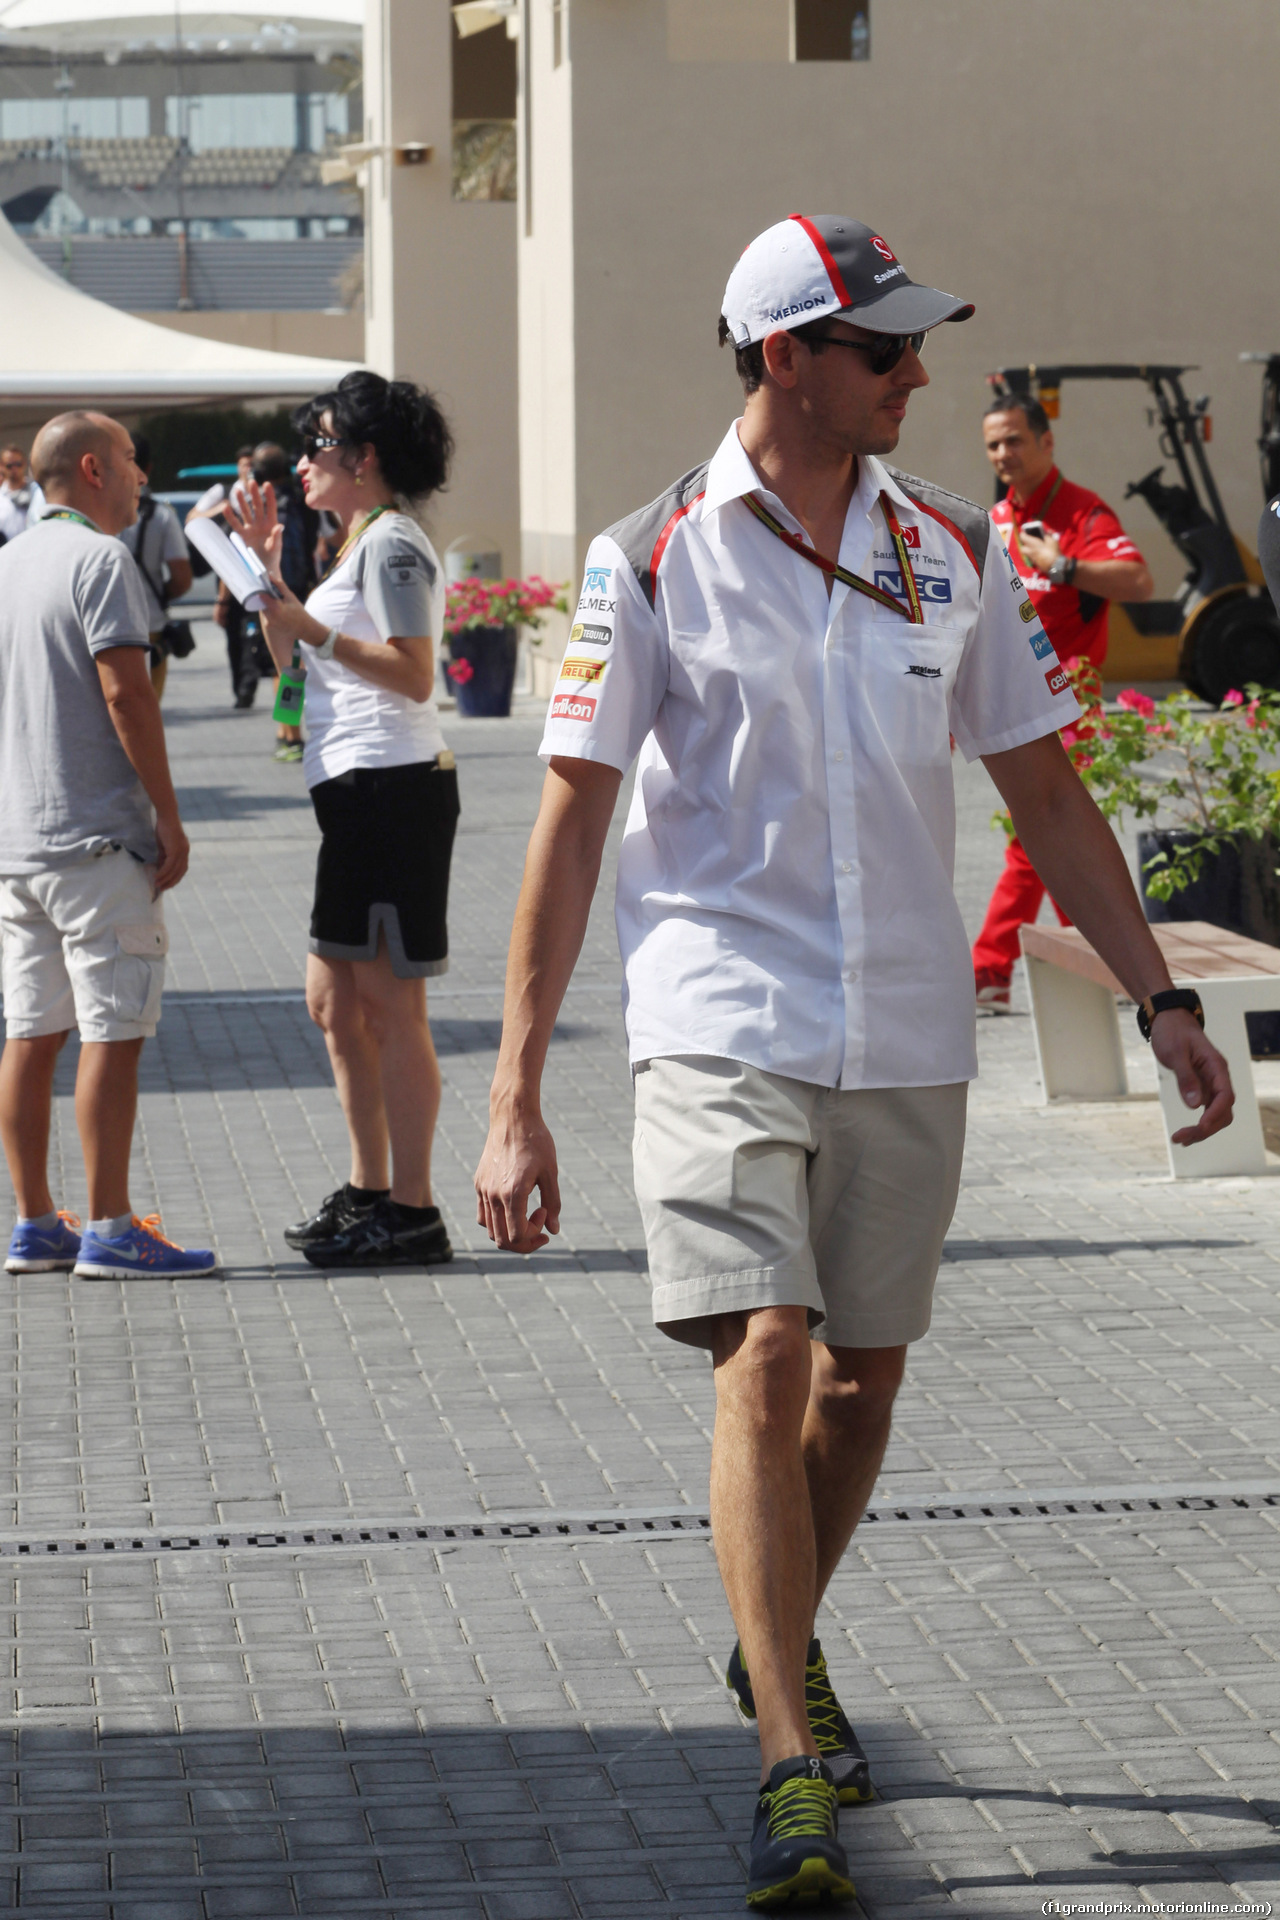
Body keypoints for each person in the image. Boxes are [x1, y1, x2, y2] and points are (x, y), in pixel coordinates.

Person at [472, 214, 1234, 1911]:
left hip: (899, 1028)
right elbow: (574, 827)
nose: (918, 374)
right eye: (882, 349)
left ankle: (777, 1639)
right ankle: (785, 1768)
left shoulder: (948, 554)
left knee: (859, 1383)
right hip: (716, 1021)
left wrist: (1159, 999)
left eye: (910, 345)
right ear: (783, 357)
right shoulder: (649, 556)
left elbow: (1045, 789)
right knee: (765, 1344)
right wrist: (516, 1094)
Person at [226, 371, 459, 1271]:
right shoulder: (354, 540)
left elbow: (411, 672)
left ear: (364, 460)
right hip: (355, 794)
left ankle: (411, 1208)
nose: (304, 464)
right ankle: (371, 1189)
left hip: (392, 789)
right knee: (335, 1002)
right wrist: (267, 579)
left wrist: (310, 628)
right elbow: (295, 663)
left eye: (318, 447)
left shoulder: (394, 545)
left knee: (392, 1007)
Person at [0, 411, 215, 1281]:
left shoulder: (9, 561)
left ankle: (35, 1221)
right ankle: (113, 1228)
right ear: (91, 468)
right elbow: (128, 694)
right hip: (96, 843)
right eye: (130, 460)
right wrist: (167, 813)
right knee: (109, 1032)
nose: (139, 476)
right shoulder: (100, 560)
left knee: (29, 1034)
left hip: (19, 844)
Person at [971, 396, 1154, 1006]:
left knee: (1033, 841)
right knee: (1045, 842)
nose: (1004, 454)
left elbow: (1139, 581)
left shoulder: (1083, 513)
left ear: (1047, 443)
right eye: (995, 444)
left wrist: (1066, 564)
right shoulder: (992, 520)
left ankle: (988, 969)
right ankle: (1103, 963)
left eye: (1015, 440)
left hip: (1071, 708)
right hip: (1008, 710)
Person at [248, 440, 318, 758]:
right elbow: (325, 538)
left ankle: (291, 735)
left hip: (266, 593)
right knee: (292, 666)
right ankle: (287, 731)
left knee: (284, 669)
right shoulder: (304, 501)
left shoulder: (253, 504)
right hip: (301, 591)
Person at [118, 434, 193, 701]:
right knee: (145, 710)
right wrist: (157, 595)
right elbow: (182, 578)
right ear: (148, 468)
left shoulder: (94, 512)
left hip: (96, 629)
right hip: (149, 628)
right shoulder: (161, 515)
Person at [0, 443, 44, 542]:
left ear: (24, 464)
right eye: (9, 465)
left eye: (18, 464)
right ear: (2, 466)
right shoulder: (1, 498)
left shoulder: (37, 493)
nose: (14, 469)